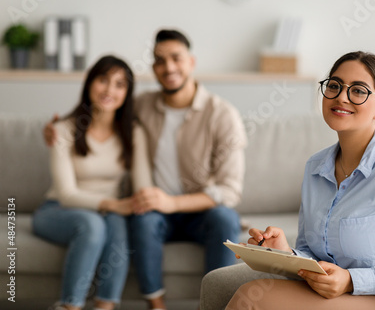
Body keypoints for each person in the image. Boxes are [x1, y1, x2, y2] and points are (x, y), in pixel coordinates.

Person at [201, 51, 375, 310]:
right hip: (336, 297)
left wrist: (352, 280)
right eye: (334, 86)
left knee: (253, 298)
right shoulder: (315, 168)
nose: (341, 97)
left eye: (358, 90)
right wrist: (285, 254)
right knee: (252, 295)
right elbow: (314, 256)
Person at [44, 29, 247, 310]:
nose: (169, 67)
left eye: (176, 58)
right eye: (160, 61)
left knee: (226, 218)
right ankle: (156, 304)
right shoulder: (142, 107)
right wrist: (56, 128)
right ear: (153, 68)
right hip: (152, 212)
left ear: (191, 61)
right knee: (141, 219)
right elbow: (101, 109)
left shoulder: (222, 114)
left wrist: (169, 202)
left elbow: (229, 190)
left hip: (199, 210)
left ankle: (218, 305)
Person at [33, 55, 153, 310]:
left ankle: (105, 305)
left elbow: (143, 187)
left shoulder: (134, 132)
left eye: (120, 84)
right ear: (89, 83)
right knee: (93, 223)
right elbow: (66, 194)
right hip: (57, 210)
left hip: (109, 213)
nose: (110, 90)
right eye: (103, 80)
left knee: (117, 222)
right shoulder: (63, 129)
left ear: (127, 93)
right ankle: (69, 306)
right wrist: (114, 204)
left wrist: (142, 201)